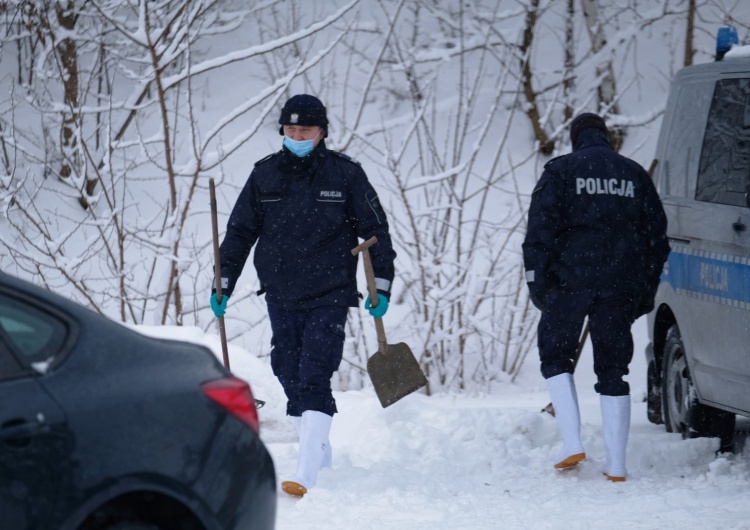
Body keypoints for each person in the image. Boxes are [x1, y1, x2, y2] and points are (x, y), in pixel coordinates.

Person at [210, 94, 396, 497]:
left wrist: (380, 284)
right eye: (290, 129)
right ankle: (320, 452)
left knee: (314, 371)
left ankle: (306, 471)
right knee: (286, 367)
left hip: (330, 290)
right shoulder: (265, 175)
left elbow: (376, 231)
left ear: (322, 132)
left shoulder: (345, 174)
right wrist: (222, 282)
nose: (296, 136)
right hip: (279, 290)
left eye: (305, 130)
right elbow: (240, 233)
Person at [522, 113, 670, 482]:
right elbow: (657, 240)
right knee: (613, 368)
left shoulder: (561, 171)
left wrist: (538, 285)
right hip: (619, 285)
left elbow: (539, 232)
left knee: (555, 355)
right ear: (606, 138)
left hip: (569, 282)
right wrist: (644, 293)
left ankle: (572, 442)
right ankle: (617, 465)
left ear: (576, 139)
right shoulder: (634, 174)